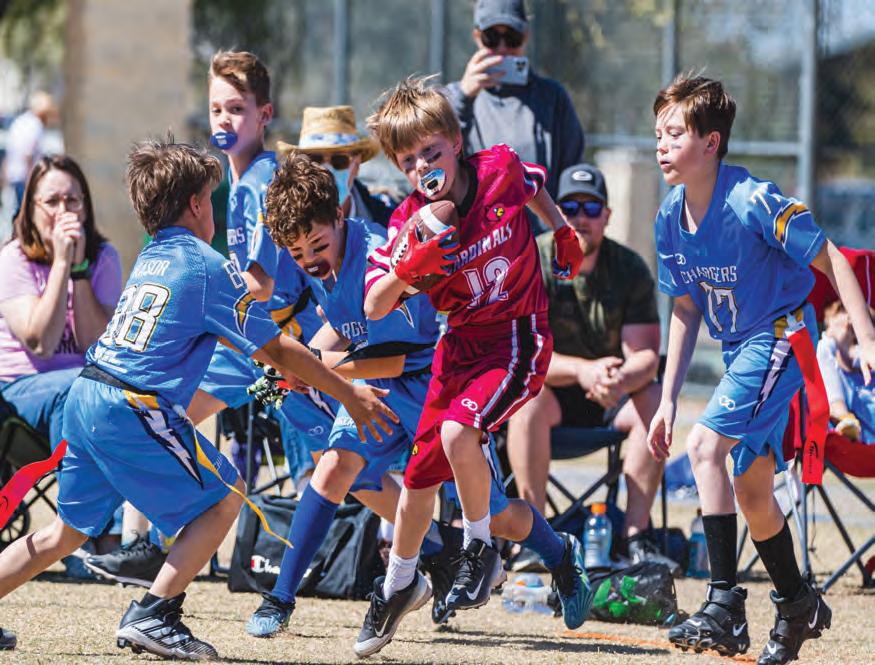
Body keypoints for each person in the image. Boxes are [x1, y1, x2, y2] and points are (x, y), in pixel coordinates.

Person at [0, 136, 396, 658]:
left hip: (88, 394)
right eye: (212, 199)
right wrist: (349, 395)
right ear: (195, 205)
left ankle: (148, 603)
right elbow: (276, 345)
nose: (215, 211)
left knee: (63, 534)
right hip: (131, 406)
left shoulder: (151, 257)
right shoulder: (208, 265)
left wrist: (283, 369)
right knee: (226, 493)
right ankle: (154, 613)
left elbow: (229, 342)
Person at [353, 76, 591, 658]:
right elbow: (373, 304)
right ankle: (399, 584)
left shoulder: (499, 168)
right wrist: (408, 269)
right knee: (417, 485)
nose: (423, 167)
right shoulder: (410, 220)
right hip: (457, 348)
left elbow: (534, 186)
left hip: (516, 335)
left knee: (461, 434)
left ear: (457, 142)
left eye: (431, 151)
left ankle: (480, 553)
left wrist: (561, 229)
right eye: (408, 161)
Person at [87, 49, 339, 589]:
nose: (225, 119)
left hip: (273, 337)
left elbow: (261, 285)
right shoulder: (237, 181)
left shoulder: (261, 181)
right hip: (250, 339)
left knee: (350, 456)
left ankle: (432, 549)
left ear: (265, 114)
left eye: (237, 109)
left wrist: (196, 298)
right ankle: (141, 545)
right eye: (216, 109)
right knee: (162, 415)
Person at [647, 74, 875, 665]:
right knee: (751, 488)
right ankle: (799, 604)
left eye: (675, 134)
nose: (661, 145)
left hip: (780, 337)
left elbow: (833, 258)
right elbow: (685, 309)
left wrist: (868, 337)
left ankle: (724, 603)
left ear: (711, 143)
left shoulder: (751, 199)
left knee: (704, 448)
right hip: (740, 349)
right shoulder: (669, 218)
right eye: (658, 134)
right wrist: (667, 398)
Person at [244, 153, 442, 637]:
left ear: (339, 215)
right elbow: (342, 322)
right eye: (297, 255)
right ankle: (280, 597)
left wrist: (315, 366)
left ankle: (559, 555)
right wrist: (299, 363)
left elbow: (398, 357)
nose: (310, 260)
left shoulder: (374, 254)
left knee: (497, 513)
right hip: (381, 380)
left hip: (429, 382)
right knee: (337, 469)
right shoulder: (326, 257)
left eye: (316, 246)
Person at [506, 162, 677, 572]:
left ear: (607, 216)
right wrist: (583, 371)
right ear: (554, 213)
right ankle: (534, 539)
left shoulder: (629, 268)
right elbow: (523, 355)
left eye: (592, 207)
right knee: (525, 401)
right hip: (548, 393)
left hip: (610, 396)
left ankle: (635, 538)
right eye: (569, 207)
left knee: (655, 398)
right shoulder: (533, 260)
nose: (580, 217)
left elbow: (646, 355)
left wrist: (619, 377)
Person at [0, 154, 123, 578]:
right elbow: (42, 341)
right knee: (81, 387)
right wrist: (59, 264)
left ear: (86, 207)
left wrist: (80, 269)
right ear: (31, 208)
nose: (63, 211)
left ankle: (113, 542)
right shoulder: (13, 259)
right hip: (20, 394)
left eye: (73, 200)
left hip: (84, 393)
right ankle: (83, 539)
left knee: (107, 390)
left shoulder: (104, 258)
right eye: (51, 201)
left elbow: (95, 346)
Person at [444, 0, 584, 232]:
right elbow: (442, 161)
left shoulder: (551, 97)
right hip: (480, 242)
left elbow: (572, 168)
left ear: (526, 36)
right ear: (477, 36)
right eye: (491, 37)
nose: (502, 48)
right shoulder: (453, 100)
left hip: (541, 242)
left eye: (512, 37)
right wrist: (462, 98)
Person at [277, 105, 396, 227]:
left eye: (339, 160)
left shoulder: (388, 221)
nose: (326, 170)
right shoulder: (282, 223)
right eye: (315, 160)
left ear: (356, 164)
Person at [817, 300, 875, 442]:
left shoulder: (870, 371)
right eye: (848, 330)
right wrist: (833, 337)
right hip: (860, 446)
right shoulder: (836, 375)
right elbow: (822, 351)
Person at [3, 92, 59, 217]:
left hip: (15, 175)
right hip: (26, 177)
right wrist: (31, 180)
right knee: (26, 214)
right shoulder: (35, 125)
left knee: (17, 212)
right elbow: (28, 155)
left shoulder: (21, 121)